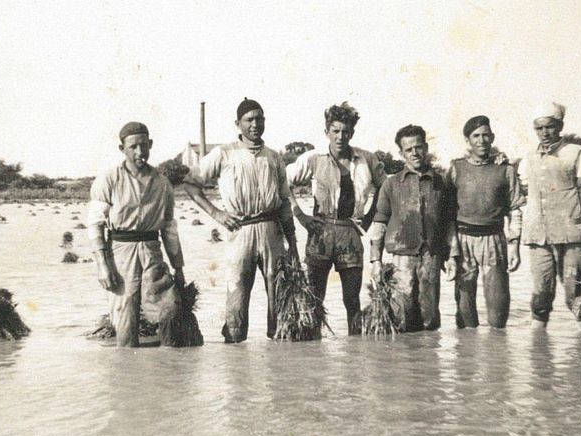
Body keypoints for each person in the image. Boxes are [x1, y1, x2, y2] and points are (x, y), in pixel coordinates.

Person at [183, 98, 299, 343]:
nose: (255, 124)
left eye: (259, 119)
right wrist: (217, 214)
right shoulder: (224, 153)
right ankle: (235, 353)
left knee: (279, 298)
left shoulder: (274, 157)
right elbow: (191, 184)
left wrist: (294, 246)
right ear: (238, 124)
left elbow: (285, 202)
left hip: (271, 230)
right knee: (236, 298)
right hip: (240, 231)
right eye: (249, 120)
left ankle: (281, 359)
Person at [286, 102, 386, 335]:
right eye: (335, 131)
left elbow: (385, 188)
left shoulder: (367, 159)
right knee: (314, 298)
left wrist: (370, 217)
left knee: (352, 300)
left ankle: (355, 350)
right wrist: (300, 215)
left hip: (350, 232)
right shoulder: (313, 158)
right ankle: (313, 351)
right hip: (320, 232)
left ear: (352, 132)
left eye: (346, 131)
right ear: (327, 132)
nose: (340, 136)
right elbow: (283, 182)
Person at [87, 122, 186, 347]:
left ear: (150, 145)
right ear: (122, 148)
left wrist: (178, 268)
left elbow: (169, 229)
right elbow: (95, 224)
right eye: (133, 146)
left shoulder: (162, 183)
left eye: (144, 145)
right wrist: (103, 266)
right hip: (120, 252)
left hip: (152, 249)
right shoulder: (109, 179)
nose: (139, 152)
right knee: (125, 318)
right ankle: (126, 373)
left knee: (170, 308)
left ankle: (168, 368)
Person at [518, 102, 581, 329]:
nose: (544, 133)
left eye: (549, 127)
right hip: (539, 234)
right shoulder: (528, 158)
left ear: (560, 126)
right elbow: (519, 191)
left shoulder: (577, 153)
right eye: (539, 128)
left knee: (574, 290)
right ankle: (539, 346)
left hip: (572, 234)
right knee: (541, 293)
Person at [368, 124, 456, 332]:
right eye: (408, 149)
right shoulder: (391, 185)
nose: (414, 153)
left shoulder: (441, 182)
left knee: (430, 315)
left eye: (418, 147)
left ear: (425, 147)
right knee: (402, 315)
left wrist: (452, 256)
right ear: (401, 153)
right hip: (401, 258)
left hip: (431, 256)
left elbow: (449, 222)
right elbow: (379, 222)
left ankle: (428, 360)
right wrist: (375, 261)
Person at [445, 115, 524, 329]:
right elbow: (447, 214)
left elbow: (515, 209)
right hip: (463, 240)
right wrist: (451, 254)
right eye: (476, 136)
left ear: (492, 137)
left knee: (498, 309)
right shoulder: (455, 169)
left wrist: (514, 245)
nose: (481, 140)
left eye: (486, 135)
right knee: (464, 308)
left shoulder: (505, 169)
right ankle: (467, 356)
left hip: (494, 240)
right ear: (467, 140)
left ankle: (497, 354)